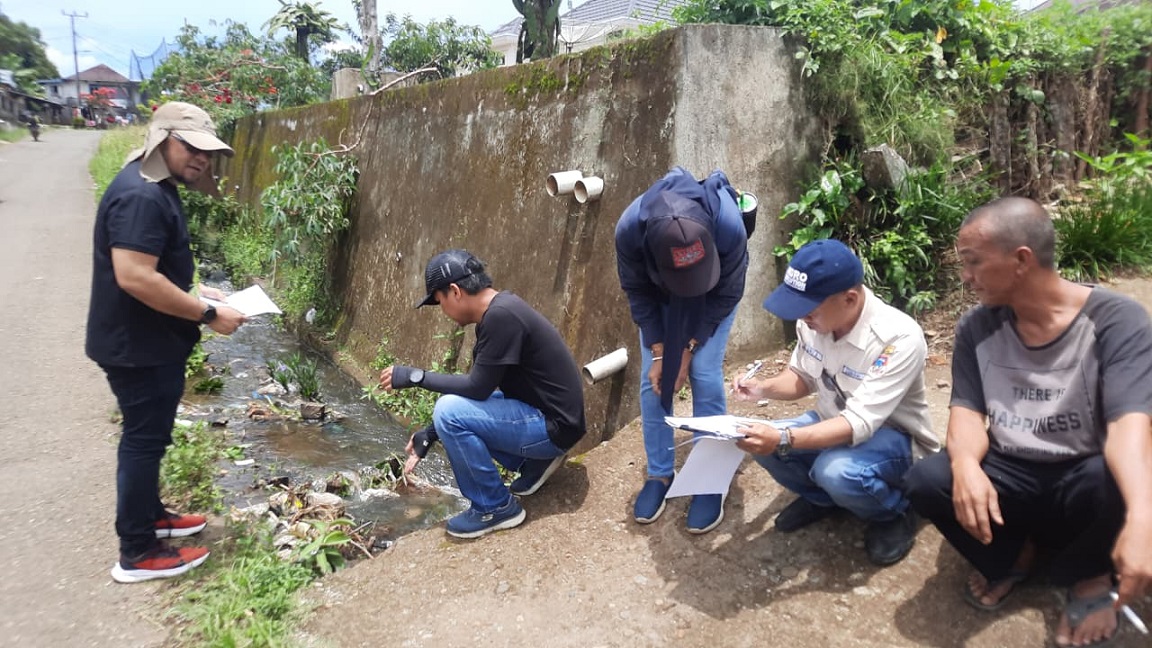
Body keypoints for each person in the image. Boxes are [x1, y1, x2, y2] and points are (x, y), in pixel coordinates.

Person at [903, 197, 1152, 647]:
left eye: (973, 261)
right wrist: (965, 466)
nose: (965, 276)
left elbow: (1128, 428)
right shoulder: (977, 326)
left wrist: (1142, 517)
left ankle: (1090, 576)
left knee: (1120, 479)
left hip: (1083, 473)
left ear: (1021, 260)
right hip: (1011, 470)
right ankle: (1015, 555)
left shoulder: (1117, 320)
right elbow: (967, 411)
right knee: (928, 479)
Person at [86, 102, 246, 583]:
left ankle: (152, 516)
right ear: (161, 140)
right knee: (142, 441)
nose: (202, 159)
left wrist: (198, 292)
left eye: (208, 152)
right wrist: (208, 313)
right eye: (191, 147)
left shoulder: (154, 185)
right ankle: (136, 551)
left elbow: (154, 268)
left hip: (145, 340)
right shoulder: (142, 196)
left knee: (149, 439)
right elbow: (135, 276)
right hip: (138, 346)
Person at [732, 239, 938, 566]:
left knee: (833, 469)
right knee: (758, 441)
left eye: (809, 309)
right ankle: (825, 500)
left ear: (849, 299)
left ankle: (895, 511)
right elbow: (802, 377)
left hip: (894, 439)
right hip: (831, 421)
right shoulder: (814, 322)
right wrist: (762, 388)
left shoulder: (898, 338)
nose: (802, 317)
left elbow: (858, 422)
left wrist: (784, 437)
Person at [378, 249, 587, 539]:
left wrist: (416, 377)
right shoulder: (500, 312)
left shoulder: (502, 317)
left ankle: (494, 508)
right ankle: (535, 463)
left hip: (554, 426)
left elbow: (477, 388)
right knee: (450, 412)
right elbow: (482, 391)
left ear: (455, 291)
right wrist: (431, 432)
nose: (443, 311)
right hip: (554, 418)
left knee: (448, 411)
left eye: (440, 302)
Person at [615, 166, 749, 533]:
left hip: (715, 294)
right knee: (653, 381)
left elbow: (729, 293)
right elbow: (637, 291)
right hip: (661, 296)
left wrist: (687, 350)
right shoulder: (630, 231)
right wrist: (662, 353)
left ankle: (710, 476)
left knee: (704, 370)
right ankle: (660, 473)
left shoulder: (728, 224)